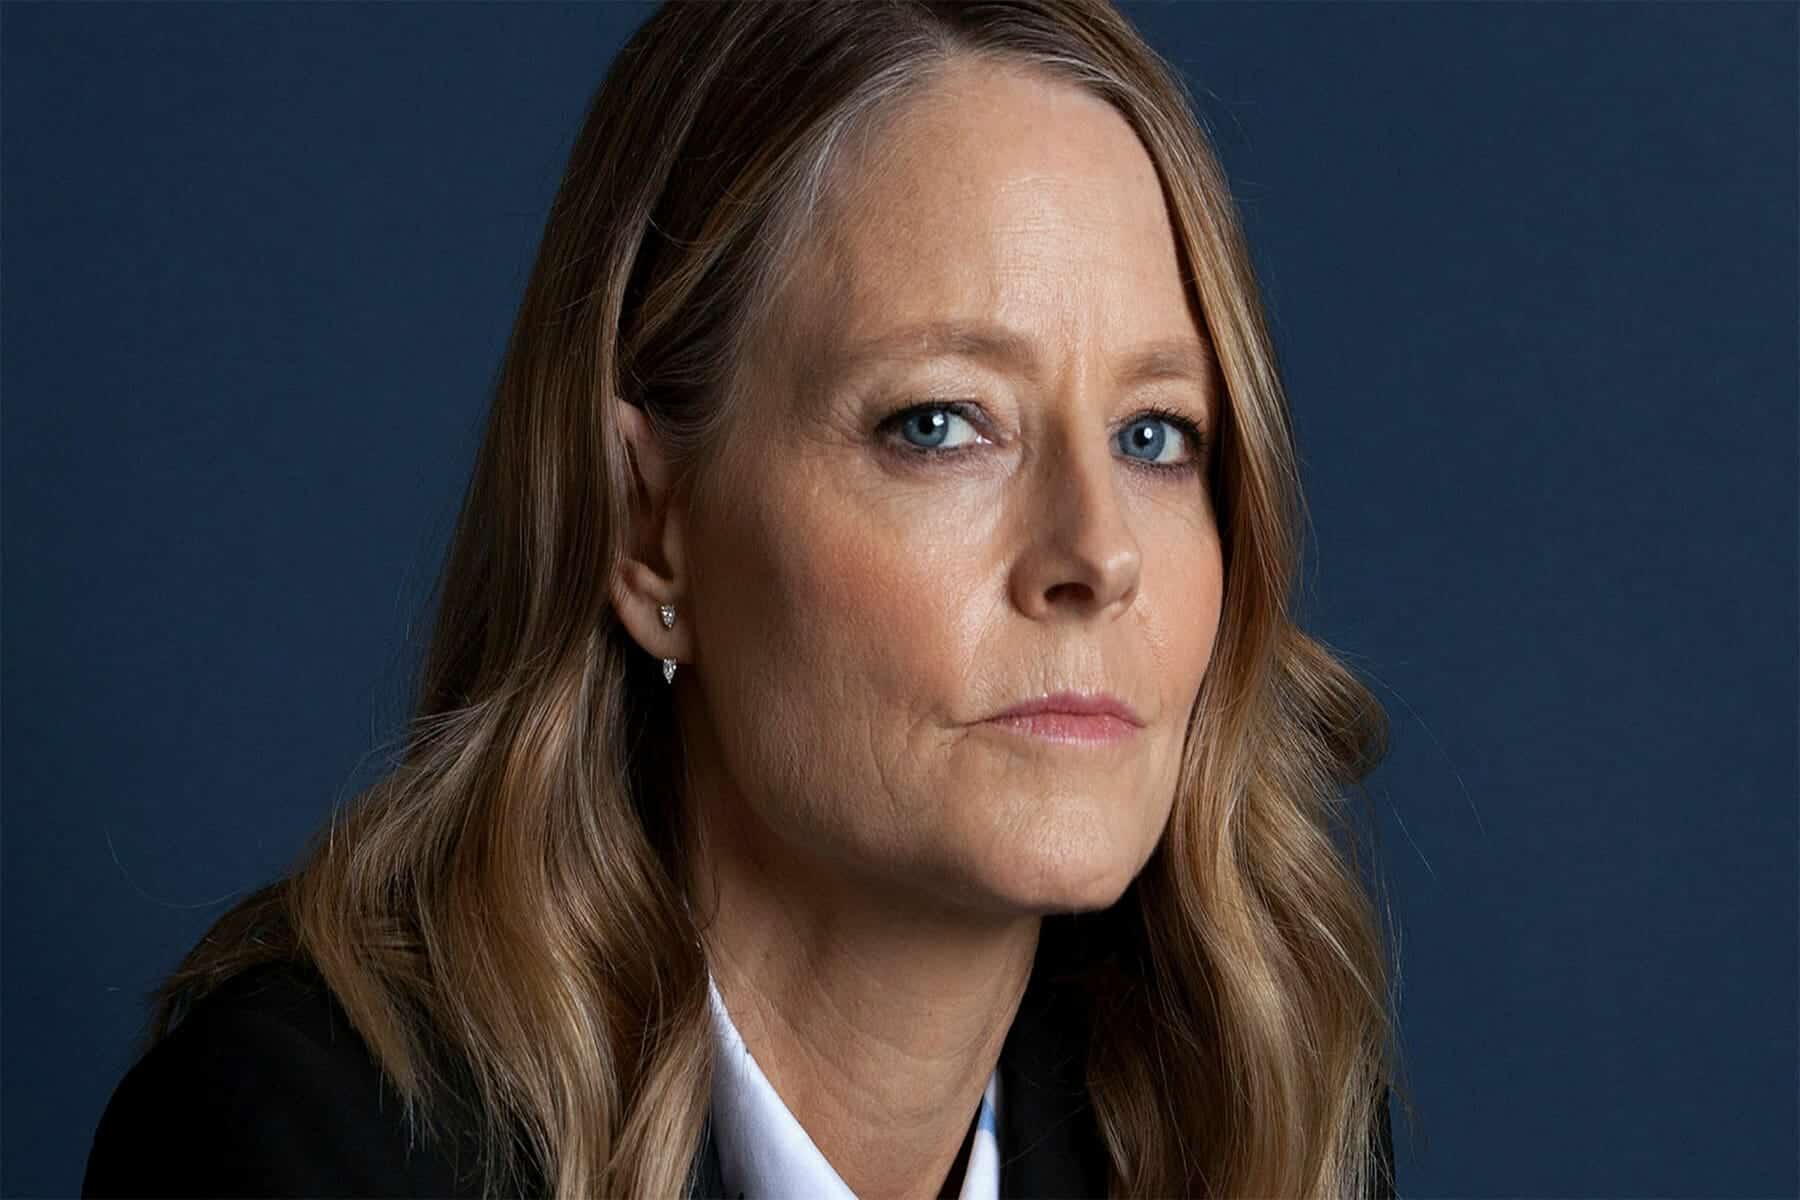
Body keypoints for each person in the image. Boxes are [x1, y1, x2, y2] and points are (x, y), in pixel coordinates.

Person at [82, 2, 1408, 1197]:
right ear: (649, 529)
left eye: (1155, 436)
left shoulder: (1251, 1118)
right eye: (939, 423)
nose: (1098, 555)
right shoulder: (307, 1147)